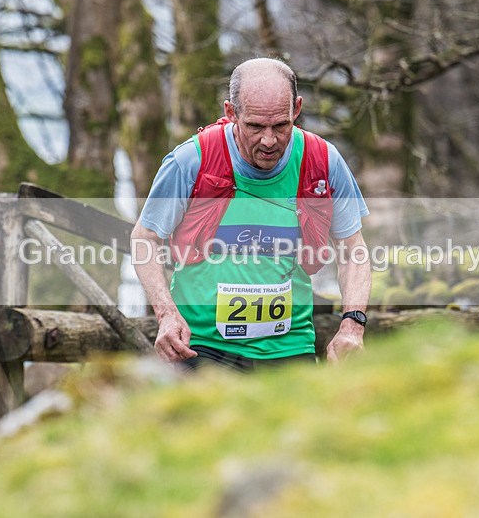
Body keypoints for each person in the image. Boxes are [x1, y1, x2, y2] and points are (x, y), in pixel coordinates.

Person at [131, 57, 370, 372]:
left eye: (281, 125)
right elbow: (145, 238)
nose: (269, 140)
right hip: (202, 346)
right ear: (231, 113)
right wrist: (167, 315)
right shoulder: (191, 160)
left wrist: (352, 324)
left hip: (290, 345)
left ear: (297, 109)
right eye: (255, 126)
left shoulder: (323, 160)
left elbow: (353, 249)